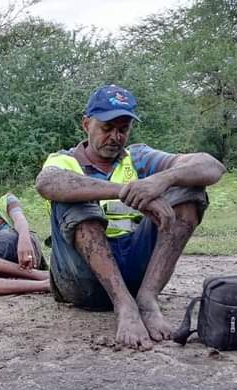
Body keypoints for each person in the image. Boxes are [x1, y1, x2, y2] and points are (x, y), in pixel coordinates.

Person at [36, 84, 224, 350]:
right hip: (81, 280)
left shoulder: (138, 157)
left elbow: (212, 166)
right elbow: (47, 183)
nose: (115, 136)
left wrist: (161, 180)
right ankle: (124, 305)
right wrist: (126, 191)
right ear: (86, 124)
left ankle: (147, 299)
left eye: (123, 129)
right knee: (73, 199)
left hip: (135, 271)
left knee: (190, 190)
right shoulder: (64, 161)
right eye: (107, 127)